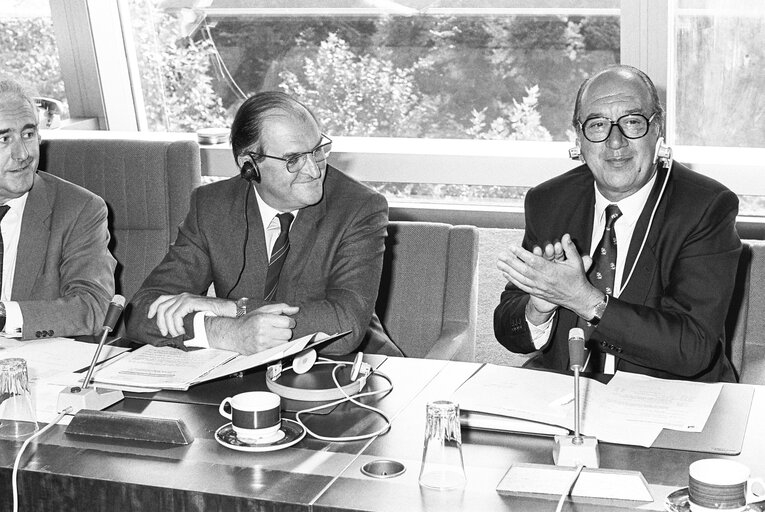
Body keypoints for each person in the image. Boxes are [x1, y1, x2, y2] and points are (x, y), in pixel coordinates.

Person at [494, 65, 741, 382]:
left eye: (632, 122)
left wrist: (585, 300)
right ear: (579, 138)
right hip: (565, 396)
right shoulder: (549, 201)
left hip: (668, 397)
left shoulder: (705, 208)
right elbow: (507, 330)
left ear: (657, 129)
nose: (615, 142)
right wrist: (538, 306)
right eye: (597, 125)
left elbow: (693, 347)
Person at [127, 91, 402, 357]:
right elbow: (142, 311)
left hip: (349, 371)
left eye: (318, 150)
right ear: (249, 165)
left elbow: (345, 326)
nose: (314, 169)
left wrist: (233, 310)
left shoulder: (359, 207)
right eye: (293, 159)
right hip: (244, 381)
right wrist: (221, 332)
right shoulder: (211, 206)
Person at [0, 79, 116, 339]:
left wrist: (4, 317)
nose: (23, 154)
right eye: (4, 139)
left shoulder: (79, 209)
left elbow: (95, 307)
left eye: (28, 135)